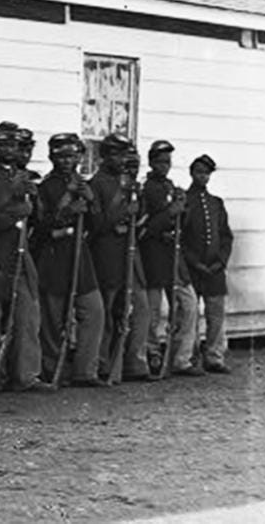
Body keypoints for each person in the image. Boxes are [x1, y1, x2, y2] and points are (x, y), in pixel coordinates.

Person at [0, 122, 50, 392]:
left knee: (27, 313)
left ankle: (26, 374)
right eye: (4, 144)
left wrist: (33, 200)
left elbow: (37, 218)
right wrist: (14, 207)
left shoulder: (24, 176)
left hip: (20, 250)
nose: (10, 150)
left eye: (14, 145)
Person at [32, 133, 106, 387]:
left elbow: (98, 225)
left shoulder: (84, 184)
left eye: (72, 155)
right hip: (54, 258)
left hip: (80, 256)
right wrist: (68, 209)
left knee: (94, 311)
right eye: (61, 155)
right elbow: (41, 225)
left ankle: (86, 370)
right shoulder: (45, 187)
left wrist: (92, 202)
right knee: (53, 319)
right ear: (52, 156)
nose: (67, 161)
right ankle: (52, 370)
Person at [88, 134, 152, 382]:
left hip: (128, 253)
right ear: (105, 156)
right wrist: (125, 213)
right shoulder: (97, 184)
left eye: (123, 154)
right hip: (107, 255)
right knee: (107, 309)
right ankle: (103, 363)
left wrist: (136, 206)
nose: (120, 160)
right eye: (115, 154)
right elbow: (97, 225)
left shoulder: (126, 182)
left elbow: (140, 217)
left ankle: (127, 362)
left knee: (128, 310)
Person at [139, 140, 202, 377]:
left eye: (167, 162)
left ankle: (181, 357)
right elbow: (146, 228)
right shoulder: (147, 190)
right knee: (153, 311)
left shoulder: (169, 187)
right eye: (159, 161)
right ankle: (152, 354)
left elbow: (179, 223)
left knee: (189, 304)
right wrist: (170, 213)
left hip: (173, 256)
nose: (164, 166)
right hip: (154, 256)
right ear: (152, 162)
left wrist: (181, 208)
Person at [181, 155, 233, 374]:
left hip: (214, 269)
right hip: (193, 268)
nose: (203, 177)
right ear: (191, 173)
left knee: (216, 314)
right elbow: (181, 238)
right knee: (190, 315)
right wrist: (194, 262)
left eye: (207, 173)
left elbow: (225, 236)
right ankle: (190, 357)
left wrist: (220, 261)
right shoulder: (184, 200)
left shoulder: (216, 203)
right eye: (199, 172)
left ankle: (214, 356)